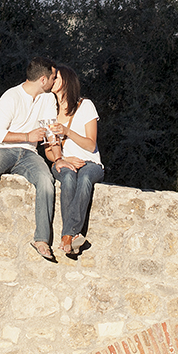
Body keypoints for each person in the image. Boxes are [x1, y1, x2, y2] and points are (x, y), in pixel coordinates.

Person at [0, 59, 60, 262]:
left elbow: (50, 131)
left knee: (46, 180)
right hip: (3, 150)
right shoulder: (11, 96)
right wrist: (27, 136)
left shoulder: (48, 99)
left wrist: (59, 158)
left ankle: (42, 239)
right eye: (53, 77)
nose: (55, 81)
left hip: (30, 154)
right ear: (43, 79)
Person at [47, 65, 102, 261]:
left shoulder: (85, 105)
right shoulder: (49, 110)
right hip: (64, 161)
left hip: (90, 162)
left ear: (67, 81)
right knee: (68, 177)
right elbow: (47, 150)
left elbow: (90, 144)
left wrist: (67, 131)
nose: (52, 81)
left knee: (85, 177)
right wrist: (62, 159)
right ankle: (72, 236)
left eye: (57, 77)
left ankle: (68, 234)